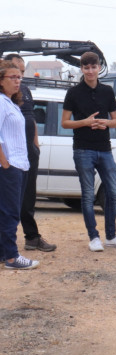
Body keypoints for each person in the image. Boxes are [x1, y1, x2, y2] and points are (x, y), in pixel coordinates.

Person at [61, 52, 116, 252]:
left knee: (112, 192)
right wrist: (84, 122)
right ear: (82, 69)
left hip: (104, 148)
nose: (90, 71)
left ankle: (111, 236)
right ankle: (93, 237)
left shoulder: (107, 91)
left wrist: (105, 123)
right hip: (83, 148)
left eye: (93, 67)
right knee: (87, 194)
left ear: (99, 68)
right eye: (86, 68)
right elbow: (65, 122)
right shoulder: (73, 93)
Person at [2, 54, 57, 253]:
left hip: (26, 154)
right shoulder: (4, 98)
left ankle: (31, 237)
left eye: (22, 73)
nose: (19, 78)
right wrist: (6, 162)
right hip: (11, 158)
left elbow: (31, 120)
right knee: (9, 204)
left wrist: (35, 145)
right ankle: (8, 250)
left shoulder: (23, 93)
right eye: (15, 73)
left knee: (26, 198)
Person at [0, 61, 39, 269]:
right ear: (1, 81)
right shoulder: (0, 102)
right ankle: (12, 257)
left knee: (8, 210)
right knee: (10, 212)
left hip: (20, 164)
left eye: (19, 77)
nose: (17, 81)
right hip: (10, 166)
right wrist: (5, 163)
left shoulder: (11, 103)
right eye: (12, 78)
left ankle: (3, 252)